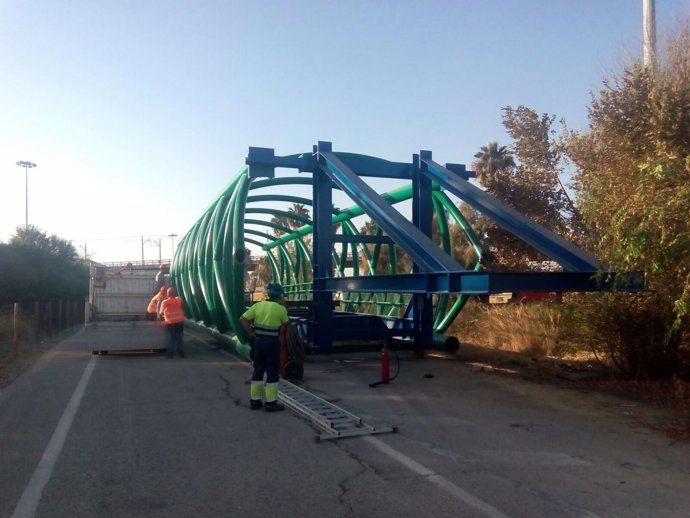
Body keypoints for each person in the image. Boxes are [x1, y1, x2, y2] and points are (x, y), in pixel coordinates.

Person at [240, 282, 289, 412]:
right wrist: (283, 306)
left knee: (258, 371)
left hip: (258, 343)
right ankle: (270, 403)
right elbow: (287, 325)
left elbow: (242, 319)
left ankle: (255, 402)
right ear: (280, 296)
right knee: (272, 372)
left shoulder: (258, 306)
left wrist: (251, 332)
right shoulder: (281, 309)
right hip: (272, 344)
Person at [159, 287, 185, 358]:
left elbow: (160, 313)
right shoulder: (179, 301)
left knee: (172, 338)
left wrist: (161, 317)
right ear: (174, 294)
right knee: (179, 337)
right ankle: (181, 353)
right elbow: (183, 308)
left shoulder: (165, 302)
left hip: (171, 322)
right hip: (180, 321)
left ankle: (171, 354)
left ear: (168, 294)